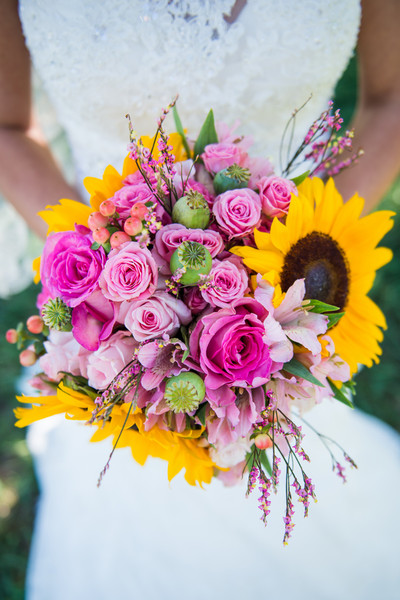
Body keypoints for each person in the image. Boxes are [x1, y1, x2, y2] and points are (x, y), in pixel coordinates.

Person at [1, 1, 400, 599]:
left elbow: (390, 100)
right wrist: (104, 271)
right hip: (114, 302)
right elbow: (8, 128)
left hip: (282, 281)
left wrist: (311, 249)